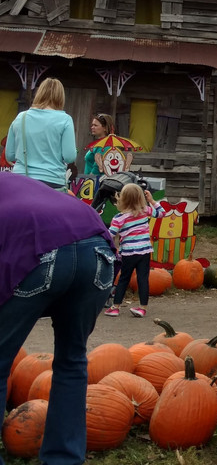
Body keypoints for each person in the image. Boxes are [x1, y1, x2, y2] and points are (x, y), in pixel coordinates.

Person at [0, 172, 117, 465]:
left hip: (40, 249)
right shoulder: (19, 184)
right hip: (98, 250)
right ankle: (64, 459)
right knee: (72, 360)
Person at [104, 183, 165, 318]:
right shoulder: (146, 210)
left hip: (128, 253)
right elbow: (162, 213)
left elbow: (110, 235)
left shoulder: (119, 218)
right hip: (144, 251)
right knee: (143, 279)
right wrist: (152, 201)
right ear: (141, 198)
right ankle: (142, 308)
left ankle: (115, 307)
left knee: (123, 279)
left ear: (122, 198)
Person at [6, 77, 77, 190]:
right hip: (52, 182)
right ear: (61, 97)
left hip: (21, 180)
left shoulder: (21, 117)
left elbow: (9, 155)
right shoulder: (65, 119)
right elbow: (69, 157)